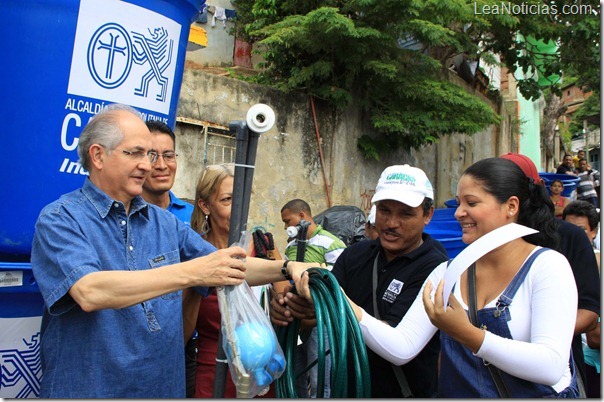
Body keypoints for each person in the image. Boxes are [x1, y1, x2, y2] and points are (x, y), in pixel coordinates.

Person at [30, 104, 310, 398]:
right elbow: (90, 291)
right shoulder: (61, 218)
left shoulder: (162, 222)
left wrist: (287, 269)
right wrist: (192, 272)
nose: (147, 165)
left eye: (148, 155)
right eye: (134, 153)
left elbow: (226, 266)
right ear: (98, 155)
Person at [294, 157, 580, 397]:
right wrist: (342, 302)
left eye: (471, 202)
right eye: (458, 202)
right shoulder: (449, 272)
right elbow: (402, 346)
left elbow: (550, 365)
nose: (458, 213)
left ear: (511, 206)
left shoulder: (546, 266)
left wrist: (467, 333)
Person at [272, 165, 448, 397]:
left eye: (405, 213)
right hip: (348, 390)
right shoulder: (355, 255)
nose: (392, 222)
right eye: (384, 210)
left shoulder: (436, 267)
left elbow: (397, 342)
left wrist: (334, 301)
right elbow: (317, 316)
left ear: (427, 215)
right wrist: (292, 311)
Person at [501, 153, 600, 391]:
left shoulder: (570, 237)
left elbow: (588, 311)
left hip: (557, 376)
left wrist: (538, 340)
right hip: (492, 372)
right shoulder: (485, 242)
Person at [189, 163, 289, 398]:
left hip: (264, 373)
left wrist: (281, 304)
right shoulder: (195, 253)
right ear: (205, 205)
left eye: (242, 198)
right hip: (215, 374)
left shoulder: (264, 246)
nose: (238, 209)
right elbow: (183, 327)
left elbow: (286, 301)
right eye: (227, 200)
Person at [139, 119, 198, 397]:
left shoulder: (193, 216)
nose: (162, 164)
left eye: (169, 155)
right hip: (142, 346)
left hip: (189, 348)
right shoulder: (125, 221)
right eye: (152, 155)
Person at [279, 198, 347, 398]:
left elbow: (338, 281)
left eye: (287, 221)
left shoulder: (330, 243)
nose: (285, 227)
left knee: (320, 376)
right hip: (295, 319)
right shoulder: (291, 247)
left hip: (320, 319)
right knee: (294, 371)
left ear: (302, 216)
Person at [563, 200, 601, 397]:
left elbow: (595, 336)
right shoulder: (559, 266)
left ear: (593, 232)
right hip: (581, 360)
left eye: (580, 230)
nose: (572, 236)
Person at [563, 200, 600, 269]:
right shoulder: (555, 257)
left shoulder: (597, 262)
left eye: (580, 230)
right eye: (568, 228)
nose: (573, 234)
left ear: (594, 232)